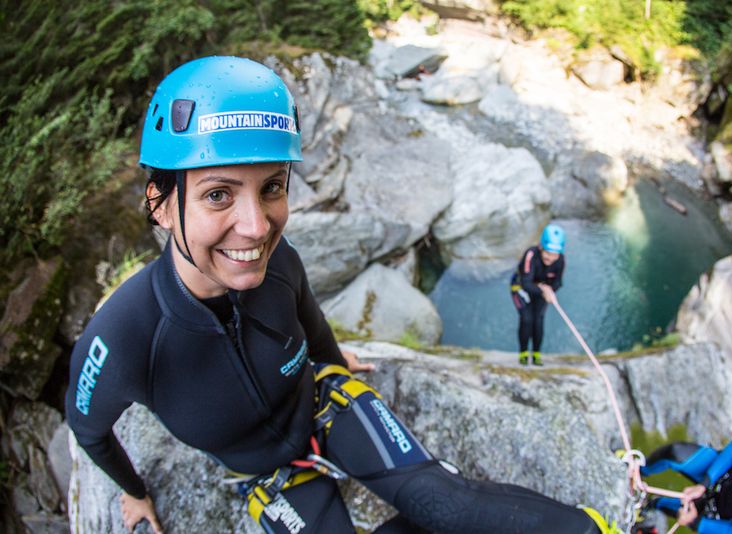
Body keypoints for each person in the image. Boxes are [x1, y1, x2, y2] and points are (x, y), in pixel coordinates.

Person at [65, 56, 606, 534]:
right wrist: (135, 492)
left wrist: (331, 361)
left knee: (444, 505)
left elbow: (312, 324)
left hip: (326, 404)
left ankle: (590, 527)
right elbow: (89, 430)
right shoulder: (123, 337)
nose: (256, 227)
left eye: (272, 187)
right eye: (218, 194)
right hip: (265, 474)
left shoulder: (282, 264)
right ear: (160, 203)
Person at [510, 224, 566, 366]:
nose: (550, 257)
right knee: (527, 319)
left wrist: (550, 290)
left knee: (538, 320)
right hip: (520, 289)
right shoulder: (531, 255)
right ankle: (523, 353)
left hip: (542, 292)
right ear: (541, 247)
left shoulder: (560, 260)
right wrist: (544, 289)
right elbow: (526, 282)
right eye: (547, 252)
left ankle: (536, 354)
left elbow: (558, 282)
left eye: (554, 254)